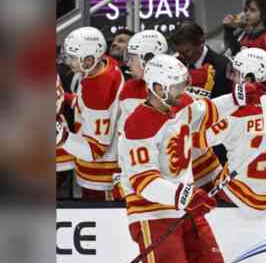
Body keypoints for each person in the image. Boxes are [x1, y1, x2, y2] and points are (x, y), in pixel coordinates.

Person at [117, 54, 256, 263]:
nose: (182, 91)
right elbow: (142, 180)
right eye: (175, 86)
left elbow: (206, 112)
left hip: (183, 205)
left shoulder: (180, 104)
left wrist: (236, 98)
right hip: (152, 212)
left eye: (182, 85)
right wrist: (183, 196)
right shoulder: (138, 124)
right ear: (156, 87)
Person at [194, 48, 266, 210]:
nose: (232, 78)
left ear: (249, 77)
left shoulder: (232, 113)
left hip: (246, 194)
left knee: (210, 185)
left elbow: (196, 140)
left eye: (237, 73)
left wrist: (198, 101)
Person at [116, 30, 222, 193]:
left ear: (148, 59)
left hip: (201, 171)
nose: (128, 63)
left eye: (132, 58)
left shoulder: (184, 86)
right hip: (168, 179)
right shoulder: (129, 91)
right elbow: (127, 140)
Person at [56, 26, 124, 201]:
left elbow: (95, 150)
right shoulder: (106, 64)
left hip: (101, 177)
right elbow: (85, 106)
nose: (68, 62)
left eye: (72, 57)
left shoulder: (99, 90)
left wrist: (60, 136)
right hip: (102, 170)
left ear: (88, 60)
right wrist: (66, 98)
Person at [222, 0, 266, 79]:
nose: (247, 13)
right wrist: (228, 30)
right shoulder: (247, 36)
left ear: (265, 14)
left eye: (252, 10)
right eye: (246, 10)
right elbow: (236, 53)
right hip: (247, 85)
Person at [171, 22, 231, 99]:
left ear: (201, 42)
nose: (182, 56)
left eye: (186, 52)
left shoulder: (222, 66)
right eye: (179, 52)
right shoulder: (176, 64)